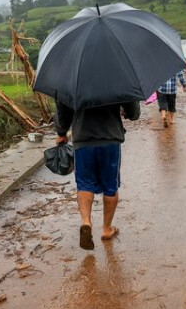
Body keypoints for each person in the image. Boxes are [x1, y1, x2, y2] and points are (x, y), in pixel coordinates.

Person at [55, 99, 141, 250]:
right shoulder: (118, 76)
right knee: (110, 186)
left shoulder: (74, 77)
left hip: (83, 138)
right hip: (110, 138)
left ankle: (86, 222)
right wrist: (130, 112)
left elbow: (63, 105)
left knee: (84, 183)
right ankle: (106, 229)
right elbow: (132, 110)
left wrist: (62, 132)